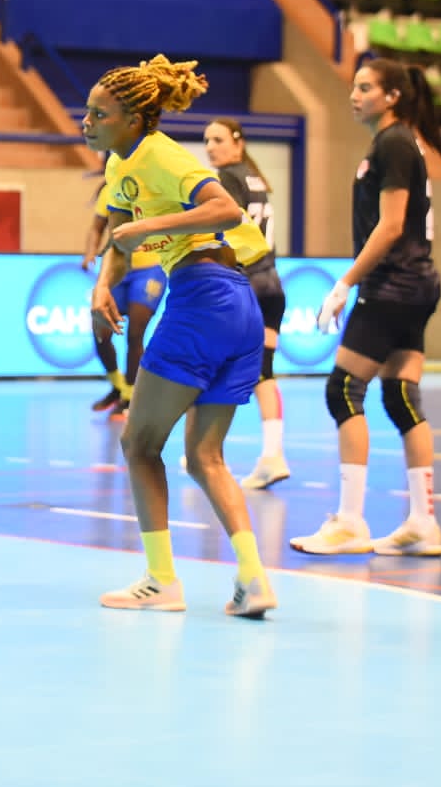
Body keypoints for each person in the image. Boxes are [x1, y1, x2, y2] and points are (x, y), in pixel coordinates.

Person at [84, 55, 276, 619]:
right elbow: (119, 236)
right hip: (237, 304)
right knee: (203, 456)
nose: (87, 122)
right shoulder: (118, 167)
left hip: (204, 299)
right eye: (88, 112)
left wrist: (149, 226)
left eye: (100, 114)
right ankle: (253, 580)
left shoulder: (162, 154)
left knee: (139, 445)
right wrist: (103, 284)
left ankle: (162, 581)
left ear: (135, 120)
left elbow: (226, 208)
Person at [291, 59, 441, 558]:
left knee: (343, 390)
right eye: (354, 87)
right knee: (401, 397)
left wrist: (345, 282)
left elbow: (391, 225)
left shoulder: (394, 143)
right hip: (417, 284)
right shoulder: (399, 143)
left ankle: (350, 521)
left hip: (393, 285)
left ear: (393, 96)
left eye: (366, 88)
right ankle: (423, 523)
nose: (354, 95)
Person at [202, 117, 288, 490]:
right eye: (207, 140)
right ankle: (272, 455)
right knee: (262, 372)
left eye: (218, 139)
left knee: (213, 364)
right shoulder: (257, 179)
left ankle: (205, 450)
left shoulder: (228, 179)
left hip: (245, 286)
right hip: (272, 288)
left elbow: (223, 233)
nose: (210, 147)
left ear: (238, 143)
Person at [83, 177, 166, 420]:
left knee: (135, 333)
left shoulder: (157, 187)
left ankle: (130, 397)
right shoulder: (110, 190)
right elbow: (97, 227)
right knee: (100, 331)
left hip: (150, 269)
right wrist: (90, 253)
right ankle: (117, 386)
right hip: (117, 268)